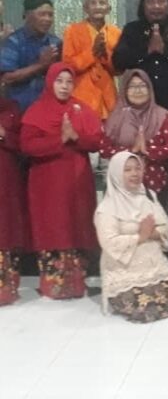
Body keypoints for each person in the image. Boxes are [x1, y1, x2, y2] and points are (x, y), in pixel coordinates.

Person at [20, 63, 102, 299]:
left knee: (77, 226)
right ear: (50, 82)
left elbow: (98, 141)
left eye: (69, 82)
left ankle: (77, 285)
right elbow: (27, 145)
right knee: (53, 228)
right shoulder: (37, 110)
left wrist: (76, 137)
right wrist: (60, 139)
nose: (65, 86)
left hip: (77, 182)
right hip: (47, 184)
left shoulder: (82, 109)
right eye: (59, 81)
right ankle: (54, 287)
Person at [95, 151, 168, 323]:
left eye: (138, 168)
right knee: (144, 308)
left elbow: (165, 225)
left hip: (154, 267)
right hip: (124, 273)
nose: (135, 174)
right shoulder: (107, 207)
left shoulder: (149, 196)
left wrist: (151, 233)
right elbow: (109, 242)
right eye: (127, 170)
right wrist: (141, 236)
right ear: (116, 173)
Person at [100, 69, 168, 195]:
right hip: (121, 186)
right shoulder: (116, 118)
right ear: (124, 90)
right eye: (132, 87)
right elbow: (104, 149)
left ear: (150, 89)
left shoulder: (161, 116)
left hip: (155, 185)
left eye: (143, 86)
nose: (138, 91)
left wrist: (147, 151)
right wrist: (131, 151)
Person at [62, 0, 120, 120]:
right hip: (82, 97)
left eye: (102, 3)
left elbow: (118, 69)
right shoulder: (72, 31)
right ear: (85, 8)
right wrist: (92, 53)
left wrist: (105, 55)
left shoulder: (115, 33)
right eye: (93, 3)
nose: (98, 6)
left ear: (108, 8)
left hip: (108, 99)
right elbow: (68, 66)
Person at [0, 0, 61, 111]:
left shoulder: (56, 42)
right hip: (19, 111)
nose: (47, 19)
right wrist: (40, 65)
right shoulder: (14, 41)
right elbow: (6, 78)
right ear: (27, 15)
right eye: (42, 14)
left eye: (50, 15)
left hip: (49, 110)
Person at [0, 98, 28, 305]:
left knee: (6, 229)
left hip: (6, 182)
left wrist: (4, 135)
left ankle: (5, 289)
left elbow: (23, 144)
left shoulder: (10, 109)